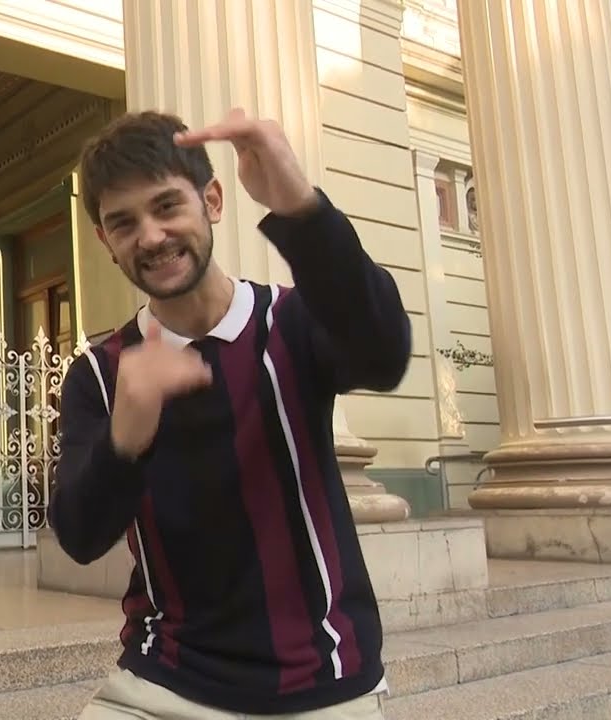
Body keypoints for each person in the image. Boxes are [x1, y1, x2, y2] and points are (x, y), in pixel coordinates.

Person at [48, 108, 411, 719]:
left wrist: (300, 205)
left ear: (212, 200)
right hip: (164, 680)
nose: (152, 236)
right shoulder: (99, 374)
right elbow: (80, 537)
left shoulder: (293, 322)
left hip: (323, 680)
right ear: (107, 244)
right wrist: (126, 438)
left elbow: (384, 354)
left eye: (167, 207)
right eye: (124, 223)